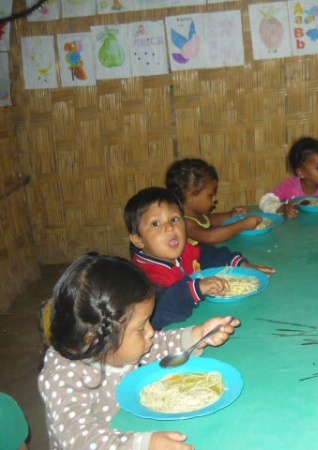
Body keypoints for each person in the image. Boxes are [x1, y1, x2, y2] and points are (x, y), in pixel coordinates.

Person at [38, 253, 241, 449]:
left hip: (137, 428)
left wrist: (198, 334)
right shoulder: (63, 374)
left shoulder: (119, 346)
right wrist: (141, 445)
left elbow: (158, 345)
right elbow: (79, 439)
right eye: (141, 327)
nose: (151, 331)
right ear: (95, 340)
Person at [124, 187, 275, 329]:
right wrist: (195, 289)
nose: (170, 227)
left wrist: (240, 264)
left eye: (175, 219)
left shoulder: (183, 252)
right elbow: (157, 316)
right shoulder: (141, 279)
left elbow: (208, 255)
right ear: (138, 239)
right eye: (156, 223)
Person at [166, 158, 262, 245]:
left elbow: (211, 220)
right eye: (210, 195)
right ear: (191, 196)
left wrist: (231, 214)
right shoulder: (184, 223)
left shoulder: (199, 216)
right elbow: (209, 236)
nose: (214, 199)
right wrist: (242, 225)